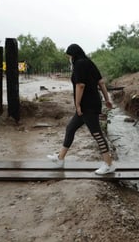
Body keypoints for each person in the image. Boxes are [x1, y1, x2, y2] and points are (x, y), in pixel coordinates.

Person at [47, 44, 114, 175]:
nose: (69, 59)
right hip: (93, 103)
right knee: (70, 128)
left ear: (73, 55)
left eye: (69, 56)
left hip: (87, 106)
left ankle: (108, 164)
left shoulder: (78, 65)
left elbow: (80, 86)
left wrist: (77, 105)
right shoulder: (89, 62)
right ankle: (60, 159)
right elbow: (101, 82)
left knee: (97, 134)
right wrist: (107, 99)